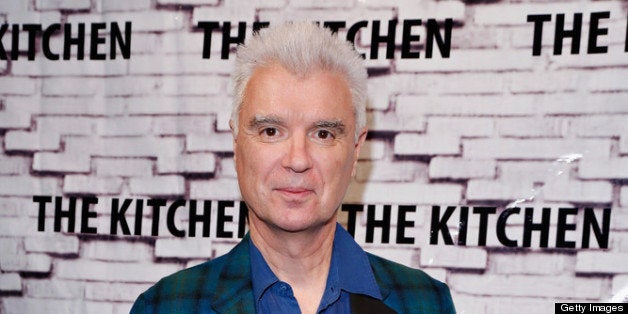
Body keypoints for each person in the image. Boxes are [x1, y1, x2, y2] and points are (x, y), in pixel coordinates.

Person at [130, 22, 455, 314]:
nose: (297, 160)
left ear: (356, 151)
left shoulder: (425, 303)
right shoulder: (165, 307)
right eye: (271, 131)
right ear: (236, 142)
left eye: (323, 133)